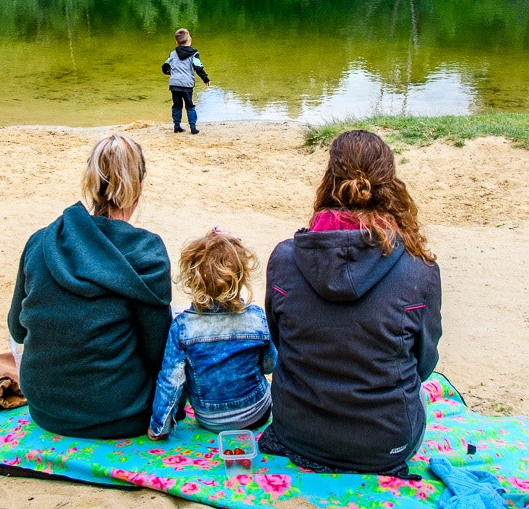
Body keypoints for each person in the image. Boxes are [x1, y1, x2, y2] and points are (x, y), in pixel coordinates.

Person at [262, 129, 442, 476]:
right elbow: (423, 362)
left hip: (297, 431)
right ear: (390, 185)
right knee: (417, 392)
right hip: (383, 445)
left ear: (328, 181)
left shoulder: (284, 258)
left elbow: (281, 340)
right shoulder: (420, 270)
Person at [8, 133, 172, 438]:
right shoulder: (147, 253)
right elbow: (159, 352)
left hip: (45, 410)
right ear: (139, 187)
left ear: (90, 182)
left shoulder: (41, 242)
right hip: (122, 413)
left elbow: (18, 331)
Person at [148, 228, 277, 438]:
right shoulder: (256, 318)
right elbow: (270, 365)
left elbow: (171, 381)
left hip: (210, 418)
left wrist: (158, 426)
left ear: (194, 279)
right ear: (241, 278)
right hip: (255, 413)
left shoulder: (182, 326)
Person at [162, 27, 210, 134]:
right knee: (190, 105)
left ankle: (177, 126)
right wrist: (205, 78)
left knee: (177, 105)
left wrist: (172, 73)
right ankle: (193, 127)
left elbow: (165, 67)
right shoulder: (194, 54)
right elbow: (198, 67)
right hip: (187, 85)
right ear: (190, 40)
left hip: (174, 84)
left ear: (176, 42)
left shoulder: (172, 54)